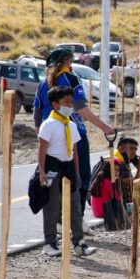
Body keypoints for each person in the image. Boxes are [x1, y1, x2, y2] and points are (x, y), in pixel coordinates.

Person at [33, 48, 115, 218]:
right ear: (68, 61)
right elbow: (80, 108)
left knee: (53, 177)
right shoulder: (71, 78)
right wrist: (104, 126)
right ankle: (76, 219)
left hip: (50, 134)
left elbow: (37, 111)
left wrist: (41, 135)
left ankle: (56, 220)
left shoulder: (43, 83)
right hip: (73, 133)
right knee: (81, 176)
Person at [37, 86, 96, 257]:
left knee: (75, 206)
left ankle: (79, 242)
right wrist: (42, 172)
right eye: (66, 102)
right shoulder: (48, 125)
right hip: (51, 167)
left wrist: (76, 172)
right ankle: (49, 243)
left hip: (68, 167)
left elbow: (74, 151)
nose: (70, 105)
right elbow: (41, 151)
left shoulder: (72, 124)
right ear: (55, 105)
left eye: (71, 101)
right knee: (52, 206)